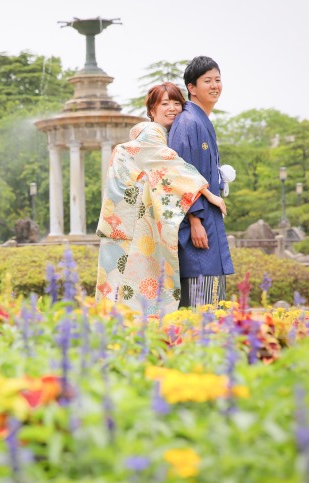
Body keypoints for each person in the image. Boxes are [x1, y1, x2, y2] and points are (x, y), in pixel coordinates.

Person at [95, 82, 226, 316]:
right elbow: (169, 163)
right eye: (165, 103)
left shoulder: (162, 134)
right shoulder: (152, 132)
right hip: (134, 222)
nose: (172, 108)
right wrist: (207, 192)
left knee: (125, 285)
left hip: (127, 220)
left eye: (177, 103)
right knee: (131, 281)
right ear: (152, 110)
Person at [167, 56, 234, 307]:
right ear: (192, 88)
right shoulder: (187, 122)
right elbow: (180, 173)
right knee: (200, 299)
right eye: (207, 81)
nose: (215, 85)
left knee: (212, 297)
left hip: (208, 221)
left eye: (218, 79)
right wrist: (195, 220)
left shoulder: (200, 121)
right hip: (196, 223)